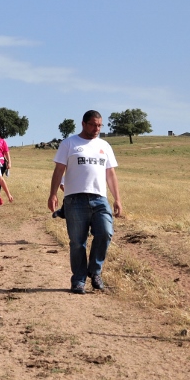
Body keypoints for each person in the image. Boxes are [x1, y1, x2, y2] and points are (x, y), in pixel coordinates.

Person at [48, 110, 123, 295]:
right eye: (93, 125)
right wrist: (53, 194)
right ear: (83, 124)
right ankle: (78, 281)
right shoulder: (69, 143)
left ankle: (95, 271)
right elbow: (59, 170)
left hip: (100, 198)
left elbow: (110, 174)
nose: (97, 128)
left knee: (105, 233)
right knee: (77, 242)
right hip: (75, 199)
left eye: (99, 125)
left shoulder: (104, 145)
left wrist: (117, 199)